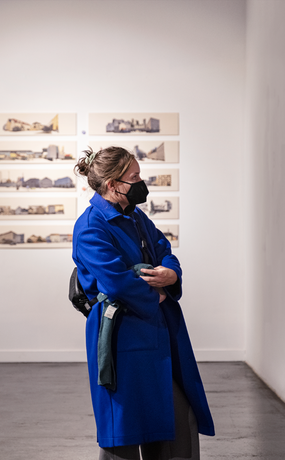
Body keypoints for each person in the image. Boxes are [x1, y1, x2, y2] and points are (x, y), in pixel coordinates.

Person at [72, 146, 215, 460]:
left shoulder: (135, 216)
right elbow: (116, 282)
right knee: (124, 428)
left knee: (176, 420)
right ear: (113, 185)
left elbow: (164, 248)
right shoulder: (91, 227)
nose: (141, 182)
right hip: (120, 335)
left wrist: (170, 273)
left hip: (155, 329)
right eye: (134, 177)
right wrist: (158, 294)